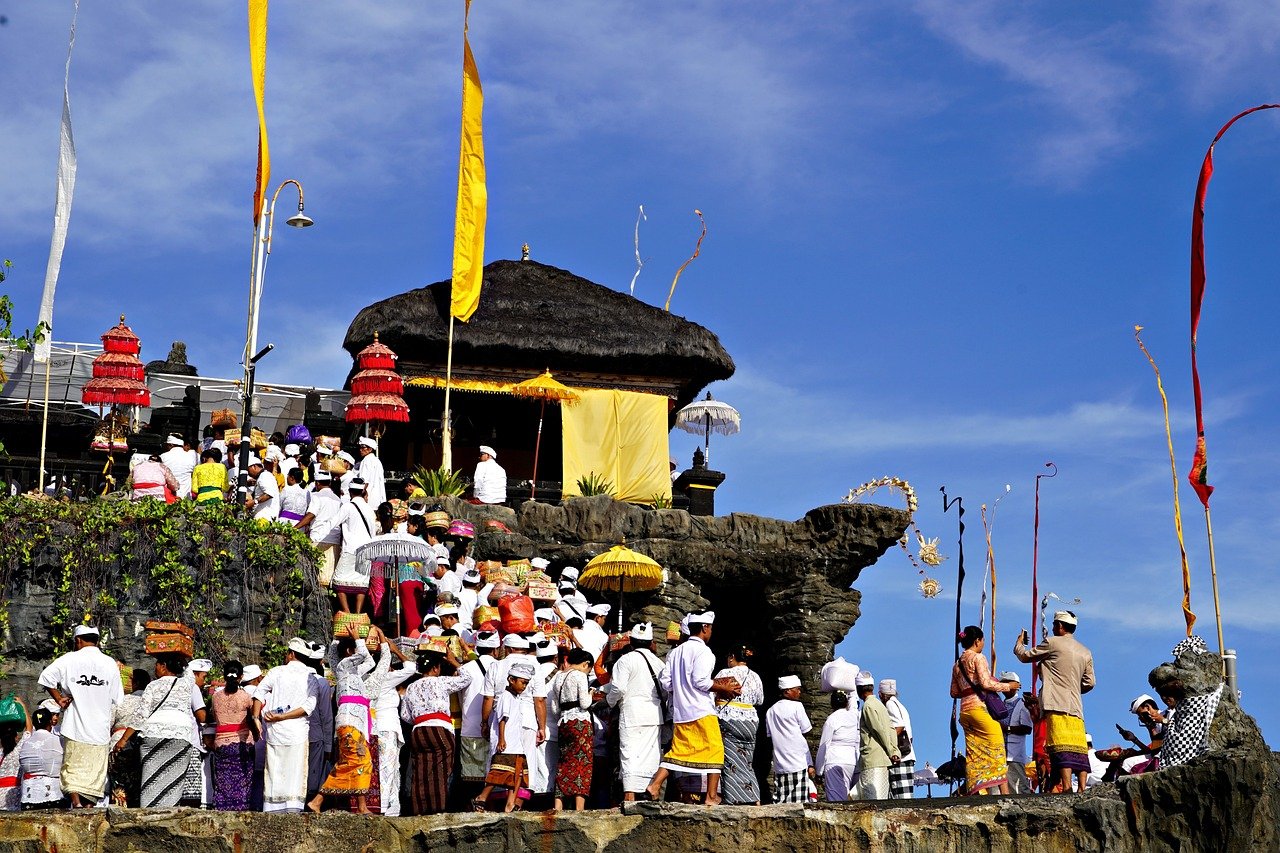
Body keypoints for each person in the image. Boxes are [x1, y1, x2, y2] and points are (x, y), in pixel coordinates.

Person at [646, 611, 732, 805]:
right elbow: (700, 681)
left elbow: (666, 682)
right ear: (705, 628)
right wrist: (722, 687)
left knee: (678, 751)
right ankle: (711, 796)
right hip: (701, 709)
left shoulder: (675, 652)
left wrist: (681, 687)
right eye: (710, 628)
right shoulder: (703, 651)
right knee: (716, 750)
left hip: (681, 712)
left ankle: (655, 785)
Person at [38, 624, 125, 808]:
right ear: (97, 641)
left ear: (78, 640)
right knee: (94, 770)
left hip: (75, 725)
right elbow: (118, 697)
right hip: (100, 728)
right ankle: (87, 806)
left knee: (73, 765)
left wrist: (59, 698)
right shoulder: (109, 663)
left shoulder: (69, 659)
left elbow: (46, 677)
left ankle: (76, 802)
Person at [309, 625, 390, 814]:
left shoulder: (353, 674)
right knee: (359, 761)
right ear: (349, 652)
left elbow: (369, 661)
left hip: (357, 724)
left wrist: (374, 641)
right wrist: (354, 638)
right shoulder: (343, 667)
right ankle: (318, 800)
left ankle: (359, 806)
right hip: (349, 721)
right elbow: (358, 656)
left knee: (358, 762)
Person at [1014, 611, 1095, 793]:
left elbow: (1026, 656)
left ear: (1059, 626)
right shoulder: (1085, 651)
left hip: (1055, 702)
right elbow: (1090, 682)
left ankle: (1066, 786)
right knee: (1079, 746)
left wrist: (1019, 644)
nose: (1052, 628)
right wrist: (1073, 688)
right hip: (1075, 705)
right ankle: (1081, 787)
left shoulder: (1053, 642)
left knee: (1060, 745)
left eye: (1054, 625)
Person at [114, 653, 206, 808]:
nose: (154, 667)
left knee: (150, 778)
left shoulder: (152, 686)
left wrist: (124, 739)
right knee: (174, 780)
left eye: (157, 663)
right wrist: (178, 650)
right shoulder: (187, 684)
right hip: (180, 735)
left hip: (153, 735)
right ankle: (168, 813)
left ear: (164, 667)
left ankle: (149, 814)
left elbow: (140, 716)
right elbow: (188, 669)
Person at [254, 638, 321, 813]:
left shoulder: (276, 672)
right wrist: (282, 716)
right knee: (295, 774)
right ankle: (292, 811)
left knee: (274, 773)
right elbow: (308, 708)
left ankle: (271, 810)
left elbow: (259, 692)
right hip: (297, 733)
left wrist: (256, 718)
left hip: (276, 732)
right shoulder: (311, 678)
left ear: (291, 654)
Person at [401, 648, 471, 815]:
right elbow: (467, 678)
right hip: (439, 729)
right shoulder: (440, 682)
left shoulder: (410, 687)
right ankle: (438, 811)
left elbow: (405, 715)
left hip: (418, 731)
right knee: (440, 771)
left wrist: (420, 719)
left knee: (420, 771)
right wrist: (453, 661)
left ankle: (420, 811)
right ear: (435, 669)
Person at [951, 626, 1018, 795]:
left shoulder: (957, 664)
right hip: (979, 708)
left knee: (975, 753)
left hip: (965, 712)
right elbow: (986, 684)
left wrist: (968, 688)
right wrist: (1008, 686)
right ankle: (1004, 792)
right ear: (977, 641)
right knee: (996, 747)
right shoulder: (978, 658)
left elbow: (954, 692)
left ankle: (978, 790)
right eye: (983, 640)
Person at [607, 623, 668, 802]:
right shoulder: (658, 662)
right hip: (654, 714)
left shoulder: (625, 660)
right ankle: (651, 793)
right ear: (650, 642)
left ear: (631, 641)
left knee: (630, 754)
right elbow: (664, 691)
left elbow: (618, 688)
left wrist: (609, 702)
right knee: (651, 755)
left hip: (632, 713)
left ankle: (630, 796)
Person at [476, 660, 536, 812]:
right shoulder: (505, 696)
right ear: (511, 680)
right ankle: (481, 797)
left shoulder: (516, 697)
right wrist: (502, 739)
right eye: (522, 682)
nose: (524, 686)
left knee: (517, 774)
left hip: (517, 742)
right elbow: (503, 718)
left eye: (526, 683)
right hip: (506, 741)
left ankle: (510, 804)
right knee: (499, 772)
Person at [314, 479, 376, 614]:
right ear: (363, 491)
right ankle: (358, 614)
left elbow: (333, 522)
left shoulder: (348, 507)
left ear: (349, 491)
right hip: (367, 550)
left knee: (338, 581)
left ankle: (346, 611)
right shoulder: (370, 510)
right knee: (361, 583)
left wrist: (316, 536)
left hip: (351, 549)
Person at [713, 644, 764, 805]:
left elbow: (714, 694)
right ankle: (754, 798)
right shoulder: (755, 675)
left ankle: (734, 798)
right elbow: (760, 700)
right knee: (748, 761)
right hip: (751, 722)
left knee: (731, 761)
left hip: (730, 720)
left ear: (731, 657)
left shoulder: (725, 673)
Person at [456, 630, 501, 799]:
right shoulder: (501, 668)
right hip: (496, 729)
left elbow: (460, 698)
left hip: (470, 728)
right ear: (496, 649)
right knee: (495, 771)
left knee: (471, 773)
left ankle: (473, 805)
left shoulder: (465, 669)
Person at [209, 660, 257, 810]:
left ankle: (222, 812)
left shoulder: (216, 697)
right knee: (243, 783)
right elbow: (252, 720)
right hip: (242, 745)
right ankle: (240, 814)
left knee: (223, 782)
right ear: (241, 676)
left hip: (222, 745)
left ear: (224, 675)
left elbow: (214, 717)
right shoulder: (246, 697)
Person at [765, 675, 815, 803]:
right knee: (799, 802)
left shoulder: (770, 711)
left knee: (781, 800)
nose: (799, 692)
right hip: (797, 761)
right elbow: (807, 730)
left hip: (780, 762)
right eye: (797, 689)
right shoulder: (797, 707)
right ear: (787, 691)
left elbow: (770, 735)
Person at [854, 670, 901, 800]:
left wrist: (892, 751)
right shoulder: (880, 705)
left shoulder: (868, 706)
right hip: (881, 759)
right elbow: (890, 729)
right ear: (872, 688)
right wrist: (894, 749)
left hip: (873, 760)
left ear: (858, 690)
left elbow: (878, 730)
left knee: (872, 800)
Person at [109, 669, 151, 807]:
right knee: (139, 781)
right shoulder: (151, 702)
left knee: (119, 782)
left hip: (119, 741)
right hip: (143, 744)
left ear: (136, 683)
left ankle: (119, 811)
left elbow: (109, 722)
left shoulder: (121, 700)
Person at [302, 643, 335, 801]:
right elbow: (326, 716)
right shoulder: (322, 683)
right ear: (321, 661)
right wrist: (328, 745)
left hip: (297, 732)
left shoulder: (297, 678)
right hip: (316, 735)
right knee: (313, 777)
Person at [299, 471, 342, 590]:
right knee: (327, 578)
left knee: (312, 575)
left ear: (317, 483)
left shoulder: (316, 496)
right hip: (334, 540)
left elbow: (311, 515)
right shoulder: (338, 500)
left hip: (317, 539)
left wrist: (295, 528)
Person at [816, 691, 860, 802]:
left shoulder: (832, 719)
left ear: (832, 705)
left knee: (836, 799)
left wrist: (819, 771)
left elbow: (824, 745)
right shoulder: (854, 716)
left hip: (834, 760)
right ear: (846, 703)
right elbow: (854, 704)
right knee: (846, 794)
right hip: (851, 761)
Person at [19, 707, 63, 810]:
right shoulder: (58, 741)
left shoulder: (26, 743)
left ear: (34, 724)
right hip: (53, 794)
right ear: (50, 722)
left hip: (28, 796)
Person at [879, 679, 915, 800]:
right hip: (907, 755)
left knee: (900, 797)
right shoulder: (900, 706)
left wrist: (889, 744)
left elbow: (899, 726)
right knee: (906, 795)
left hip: (901, 757)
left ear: (881, 695)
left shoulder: (890, 704)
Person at [1000, 671, 1034, 793]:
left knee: (1019, 788)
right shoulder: (999, 704)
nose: (1005, 687)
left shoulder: (1022, 703)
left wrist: (1007, 729)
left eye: (1007, 683)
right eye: (1002, 683)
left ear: (1016, 685)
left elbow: (1027, 728)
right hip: (1000, 752)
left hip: (1015, 754)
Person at [0, 697, 31, 811]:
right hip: (14, 792)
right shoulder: (18, 751)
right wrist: (23, 707)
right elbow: (28, 730)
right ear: (16, 737)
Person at [160, 434, 199, 500]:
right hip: (186, 497)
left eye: (167, 445)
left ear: (171, 445)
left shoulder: (163, 456)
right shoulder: (192, 456)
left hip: (168, 497)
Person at [356, 436, 387, 510]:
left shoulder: (366, 460)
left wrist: (360, 496)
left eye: (363, 448)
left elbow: (364, 481)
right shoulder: (377, 461)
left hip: (368, 498)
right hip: (377, 498)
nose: (360, 450)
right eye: (360, 447)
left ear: (370, 449)